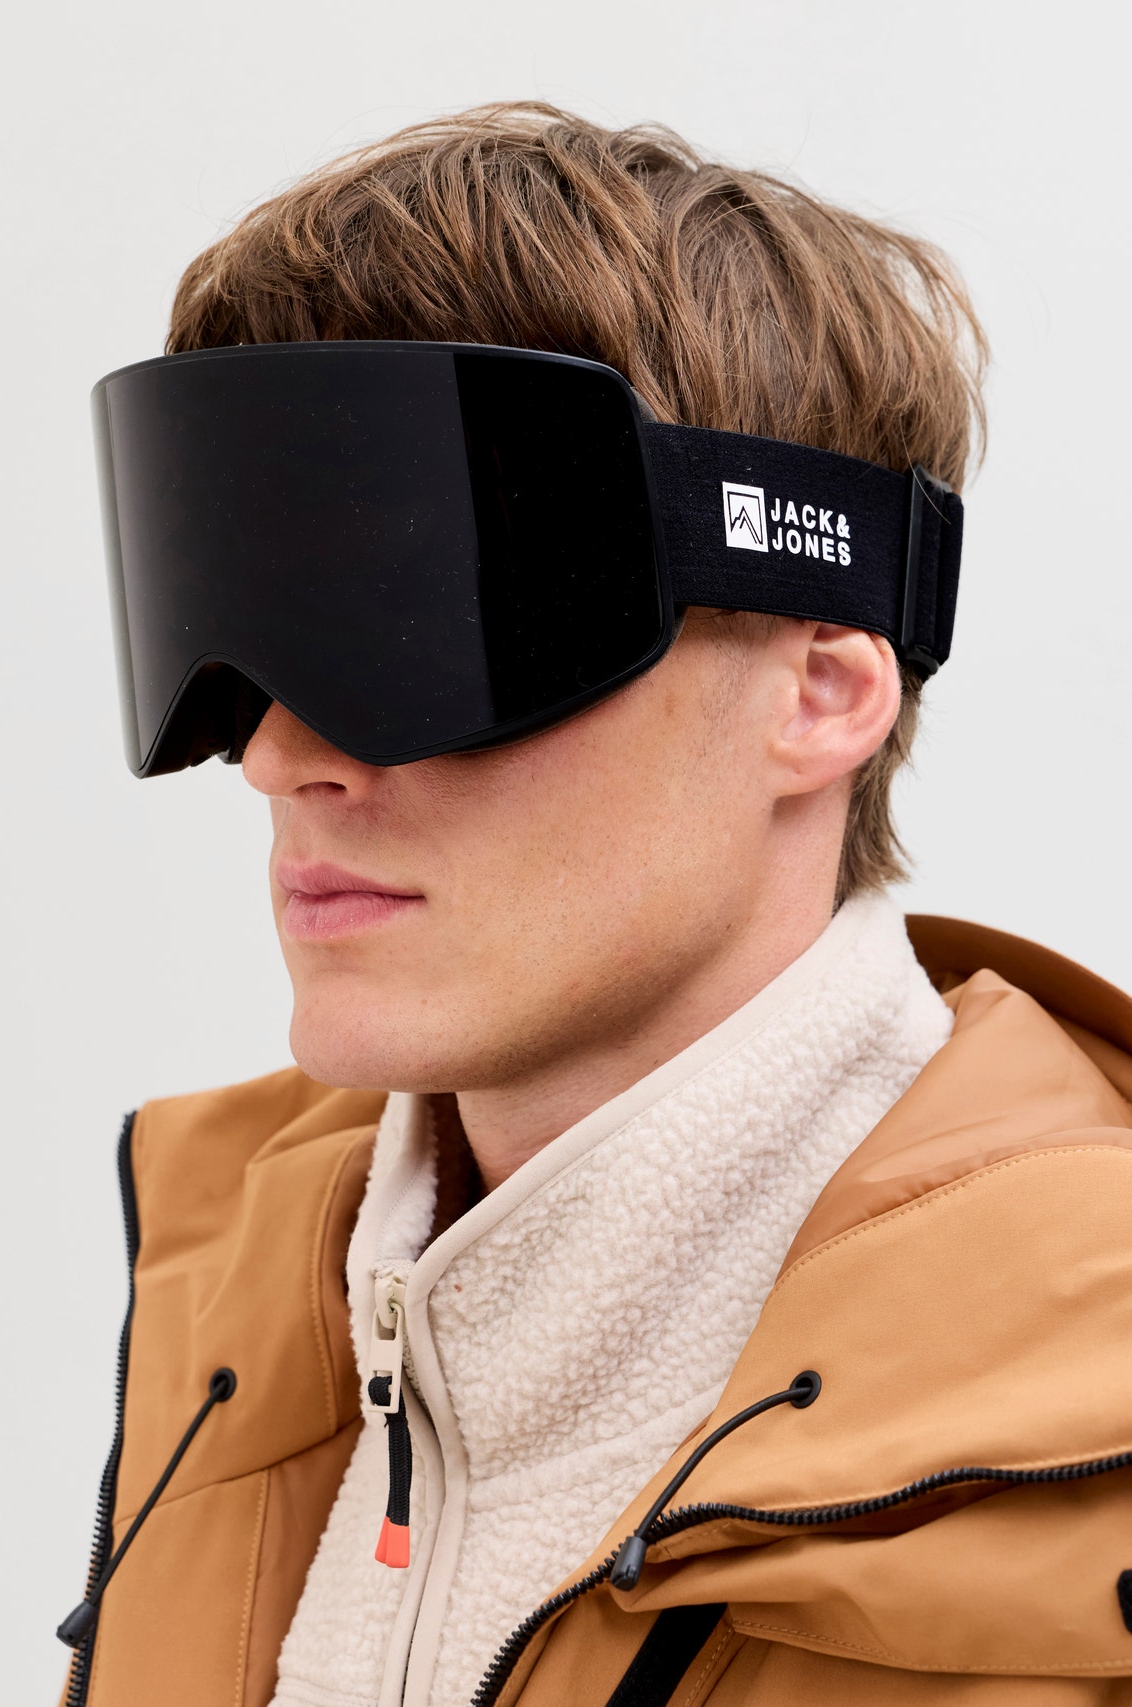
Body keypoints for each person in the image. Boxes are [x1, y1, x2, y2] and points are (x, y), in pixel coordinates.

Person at [57, 105, 1132, 1707]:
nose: (278, 754)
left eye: (426, 620)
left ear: (823, 693)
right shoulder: (243, 1312)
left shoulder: (1097, 1414)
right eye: (249, 626)